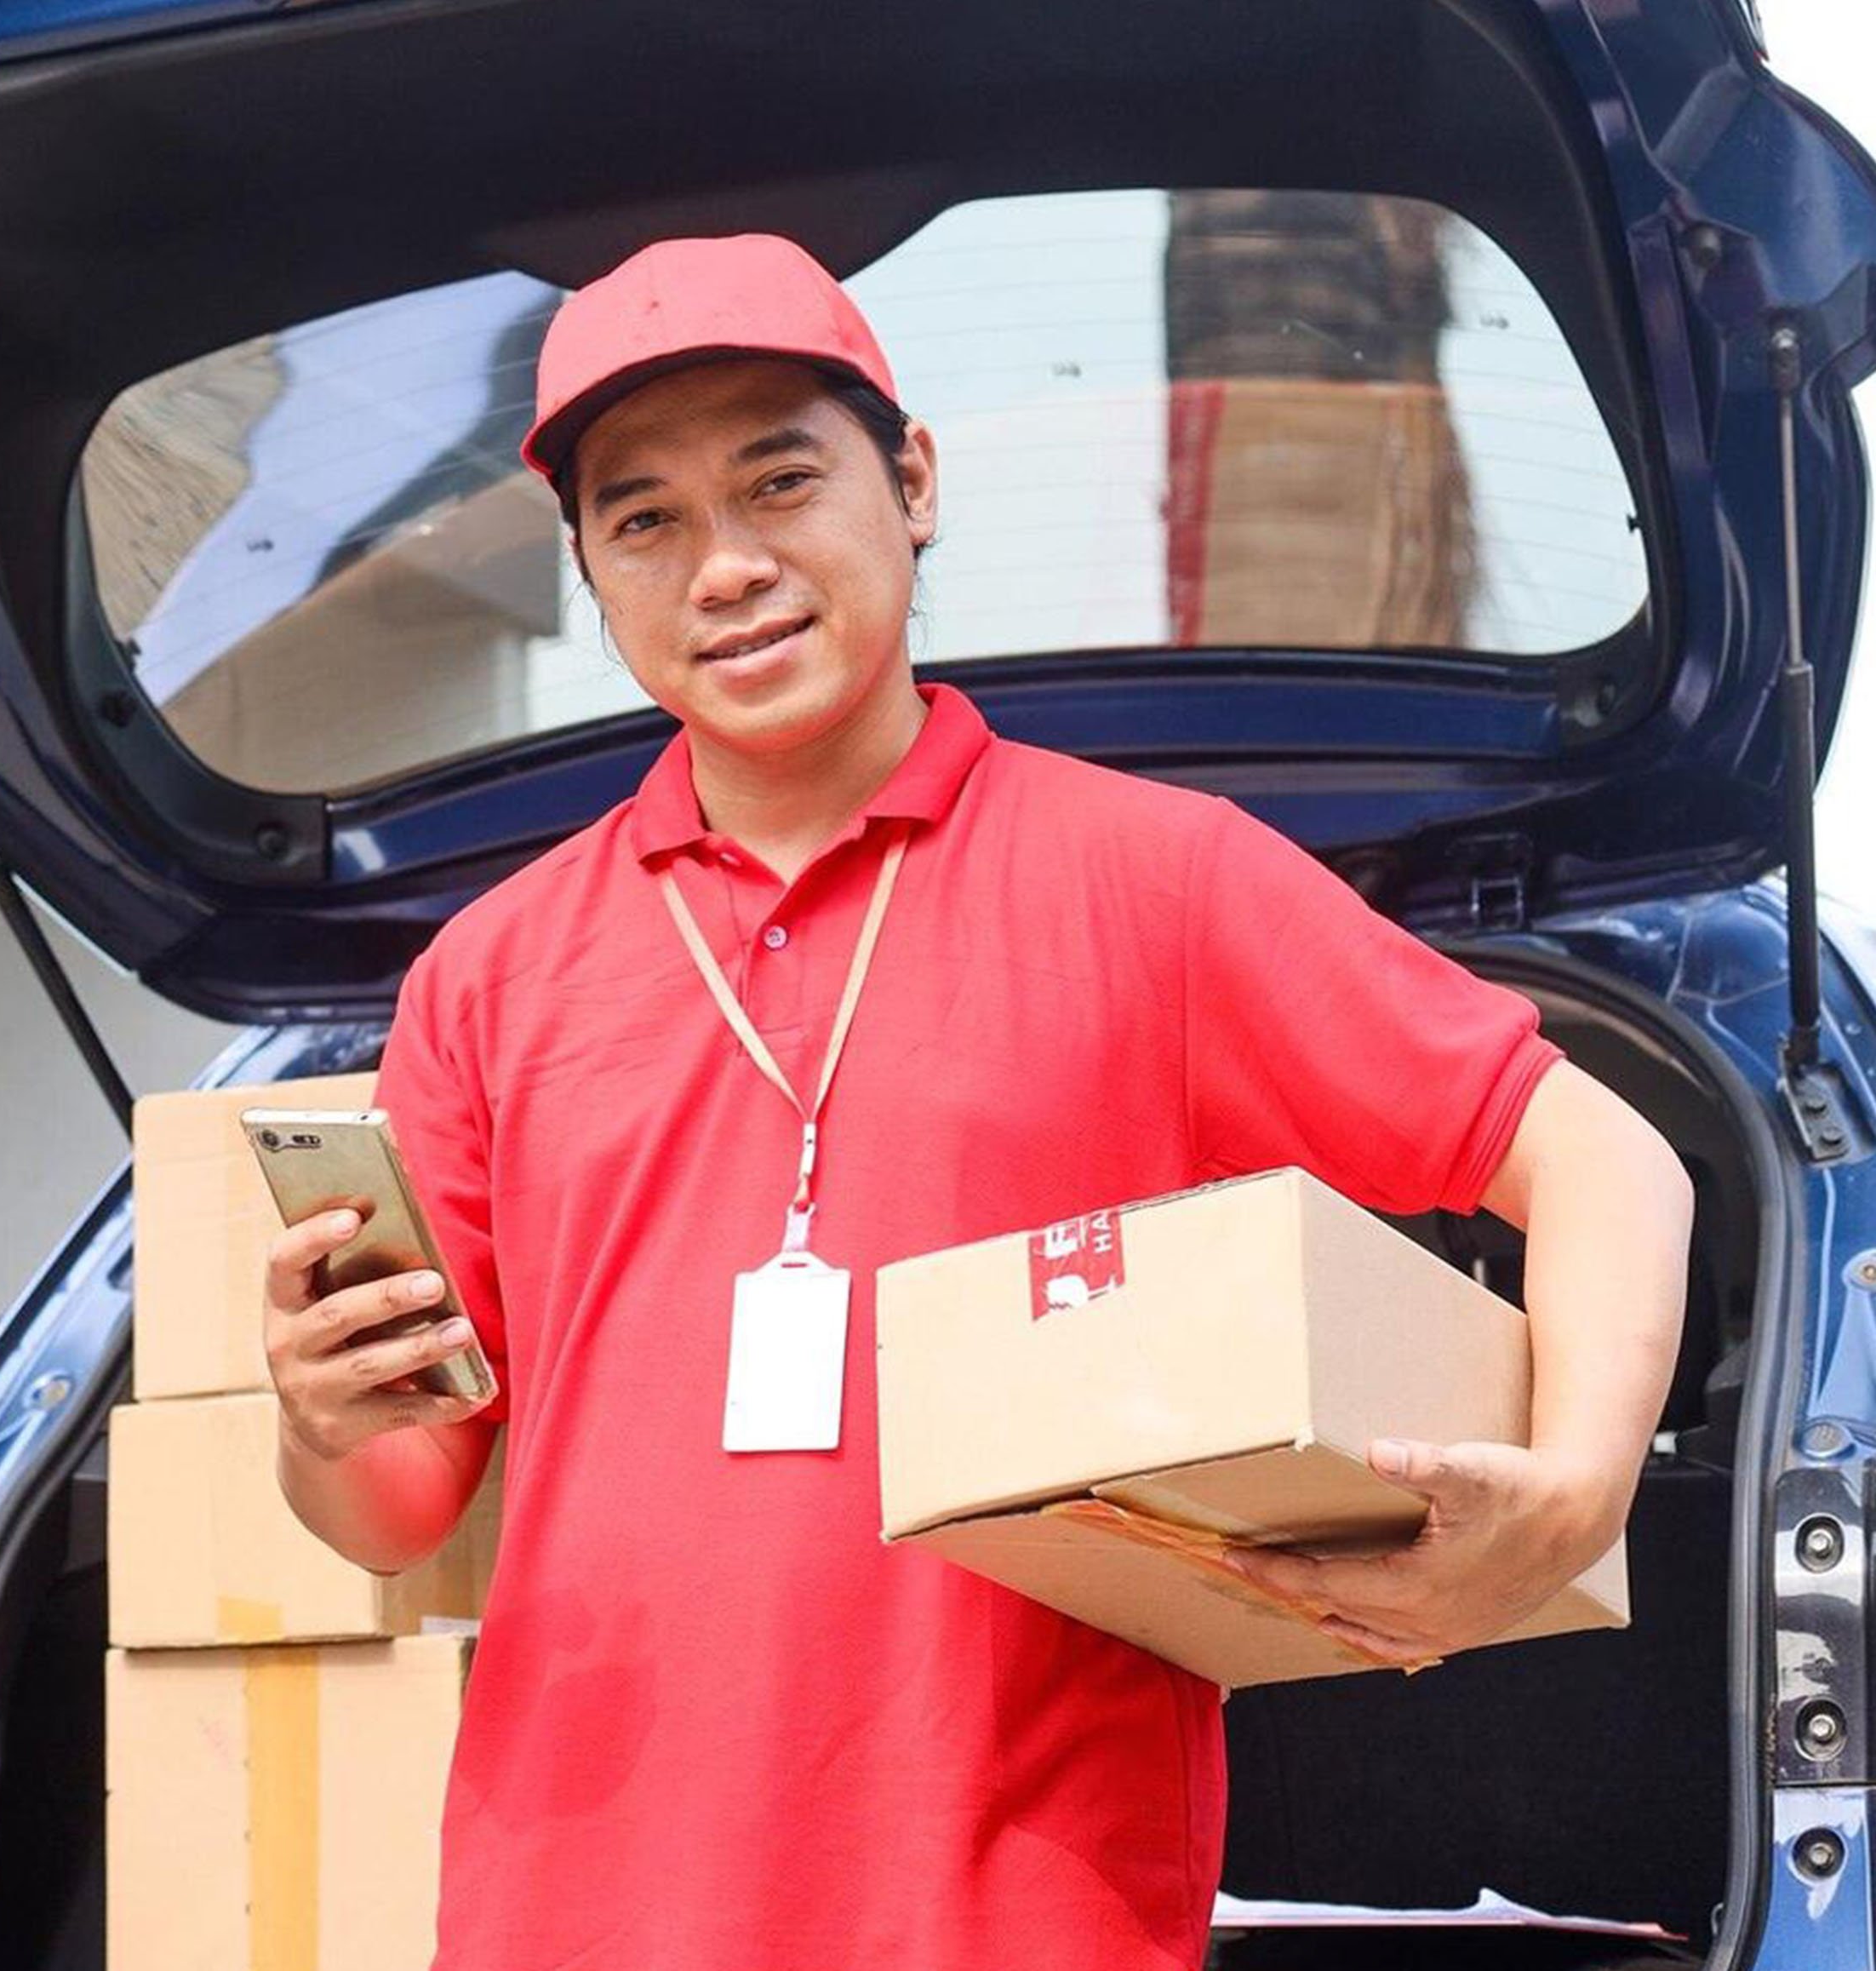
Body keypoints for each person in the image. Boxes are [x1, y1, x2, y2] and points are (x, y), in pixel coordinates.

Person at [259, 231, 1691, 1970]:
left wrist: (1571, 1491)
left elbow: (1602, 1161)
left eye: (779, 481)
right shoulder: (486, 978)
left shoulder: (1150, 884)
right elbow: (406, 1501)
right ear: (584, 565)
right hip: (569, 1912)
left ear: (910, 481)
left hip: (1016, 1914)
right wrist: (323, 1426)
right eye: (643, 520)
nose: (723, 568)